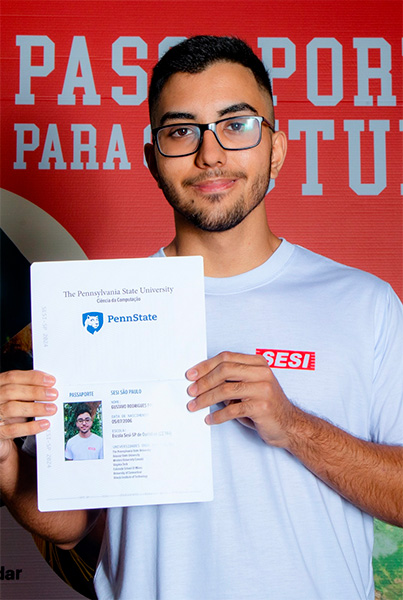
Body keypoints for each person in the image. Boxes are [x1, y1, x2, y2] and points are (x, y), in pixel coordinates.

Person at [0, 35, 402, 600]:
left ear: (276, 148)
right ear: (152, 159)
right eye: (181, 130)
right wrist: (8, 470)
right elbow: (74, 527)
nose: (209, 154)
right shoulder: (96, 308)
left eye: (235, 125)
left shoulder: (365, 303)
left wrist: (293, 427)